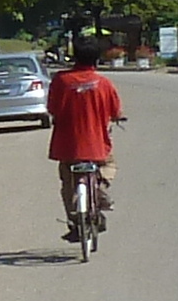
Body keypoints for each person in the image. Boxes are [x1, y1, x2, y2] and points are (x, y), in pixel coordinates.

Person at [46, 37, 125, 240]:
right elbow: (116, 111)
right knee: (109, 165)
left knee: (67, 184)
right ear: (96, 59)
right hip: (97, 146)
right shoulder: (104, 83)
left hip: (67, 147)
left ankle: (74, 223)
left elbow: (52, 109)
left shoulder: (61, 81)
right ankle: (98, 187)